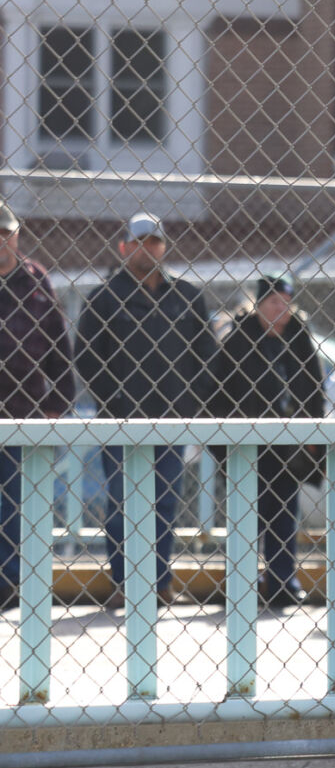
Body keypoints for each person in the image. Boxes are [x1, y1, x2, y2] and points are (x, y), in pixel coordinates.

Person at [75, 212, 216, 607]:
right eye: (139, 241)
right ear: (124, 247)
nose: (147, 248)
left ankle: (158, 582)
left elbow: (207, 353)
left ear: (164, 247)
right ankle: (124, 583)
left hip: (172, 421)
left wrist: (190, 399)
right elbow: (86, 356)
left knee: (165, 502)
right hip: (119, 424)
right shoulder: (104, 297)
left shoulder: (187, 296)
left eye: (154, 241)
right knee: (122, 503)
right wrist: (113, 400)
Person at [216, 274, 326, 608]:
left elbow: (314, 389)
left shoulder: (299, 338)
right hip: (246, 442)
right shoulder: (238, 339)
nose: (281, 309)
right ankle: (242, 584)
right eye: (274, 302)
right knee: (247, 514)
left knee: (283, 512)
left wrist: (312, 434)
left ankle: (281, 582)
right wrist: (225, 442)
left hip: (288, 443)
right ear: (258, 305)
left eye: (285, 302)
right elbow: (219, 392)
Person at [0, 200, 75, 613]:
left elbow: (58, 346)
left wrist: (56, 402)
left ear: (16, 234)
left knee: (17, 500)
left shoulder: (34, 280)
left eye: (4, 232)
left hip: (24, 411)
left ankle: (10, 582)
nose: (0, 240)